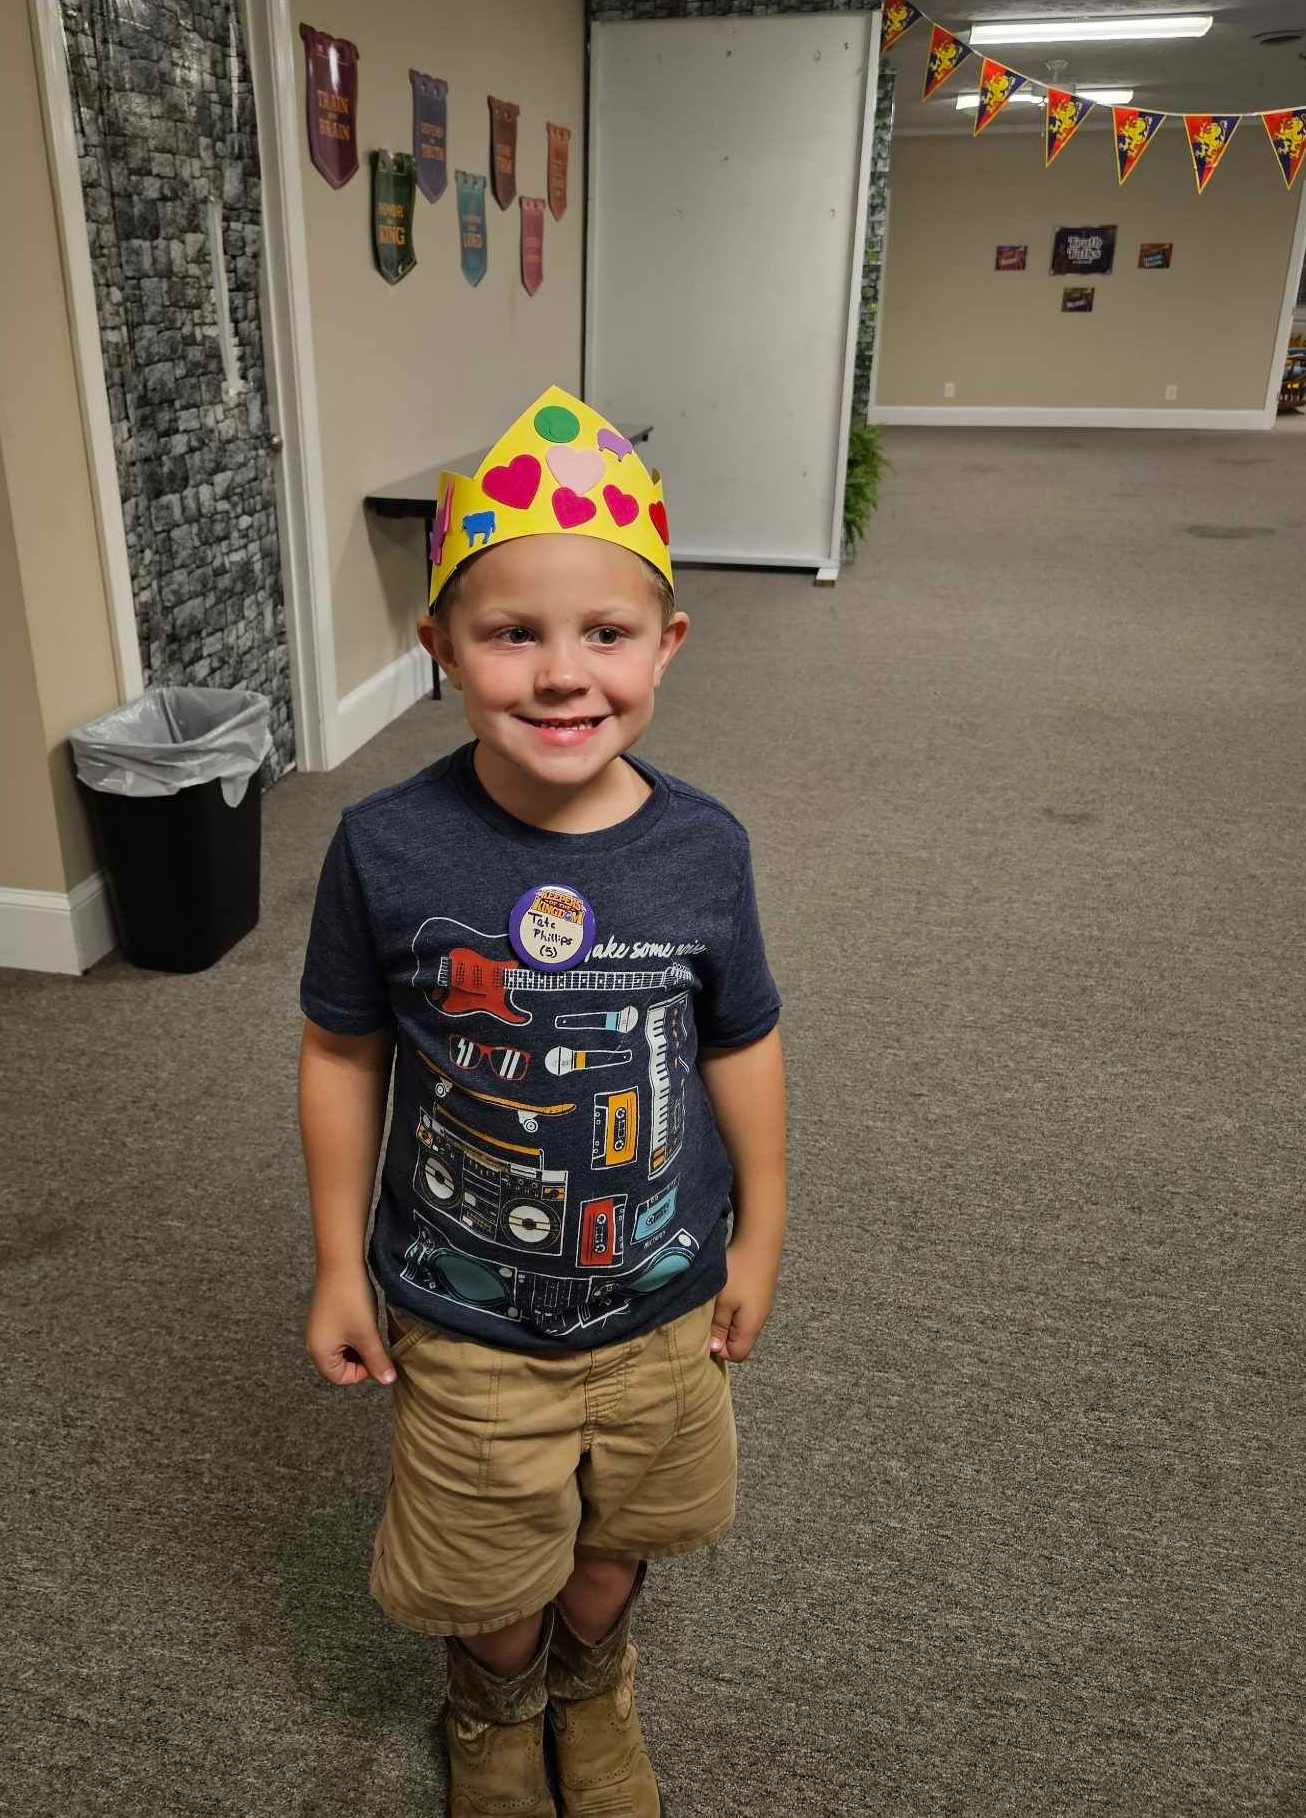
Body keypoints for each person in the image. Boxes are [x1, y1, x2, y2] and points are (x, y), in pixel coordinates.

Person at [298, 387, 786, 1817]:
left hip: (662, 1298)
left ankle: (595, 1685)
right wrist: (337, 1262)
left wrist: (761, 1233)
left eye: (606, 634)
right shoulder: (384, 850)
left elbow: (742, 1041)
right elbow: (343, 1055)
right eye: (513, 632)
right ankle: (494, 1710)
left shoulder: (704, 849)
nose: (564, 674)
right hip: (465, 1312)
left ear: (666, 647)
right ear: (437, 644)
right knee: (489, 1554)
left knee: (620, 1528)